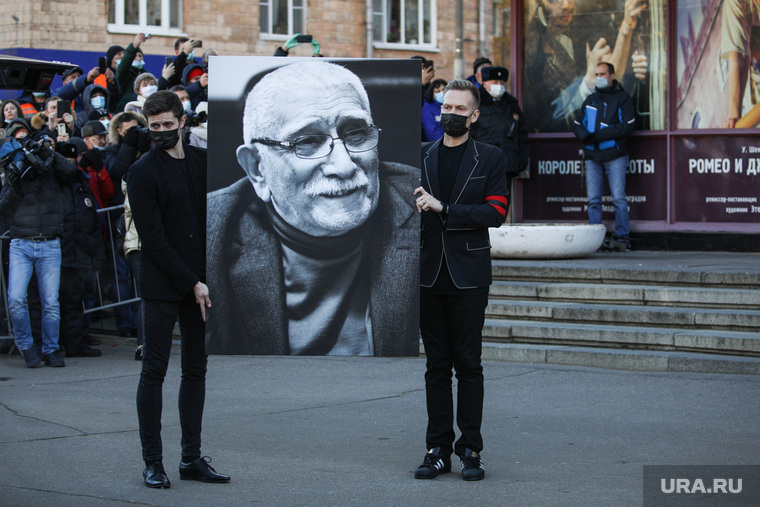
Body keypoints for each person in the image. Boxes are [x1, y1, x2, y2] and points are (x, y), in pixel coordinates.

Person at [206, 60, 419, 356]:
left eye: (356, 133)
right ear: (257, 169)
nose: (344, 166)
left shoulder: (421, 204)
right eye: (306, 142)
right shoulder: (211, 230)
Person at [127, 90, 229, 488]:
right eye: (154, 128)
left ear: (182, 122)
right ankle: (153, 461)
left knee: (195, 370)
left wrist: (205, 280)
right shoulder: (142, 171)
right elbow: (152, 238)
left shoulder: (204, 163)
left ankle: (191, 458)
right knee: (154, 371)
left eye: (168, 125)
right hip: (163, 284)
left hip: (199, 284)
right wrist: (191, 282)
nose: (162, 133)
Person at [413, 79, 508, 482]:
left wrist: (445, 208)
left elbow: (496, 211)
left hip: (469, 275)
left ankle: (470, 449)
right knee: (436, 366)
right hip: (428, 273)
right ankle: (437, 449)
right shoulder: (422, 154)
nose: (449, 113)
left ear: (473, 115)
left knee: (468, 365)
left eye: (458, 109)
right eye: (445, 107)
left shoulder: (490, 157)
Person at [0, 136, 78, 368]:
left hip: (50, 242)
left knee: (50, 302)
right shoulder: (13, 172)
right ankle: (26, 346)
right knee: (15, 299)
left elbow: (71, 172)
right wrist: (14, 185)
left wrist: (49, 152)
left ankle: (51, 349)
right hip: (21, 243)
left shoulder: (51, 166)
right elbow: (3, 208)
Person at [573, 62, 635, 251]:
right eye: (597, 74)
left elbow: (628, 126)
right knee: (593, 200)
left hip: (615, 155)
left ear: (612, 76)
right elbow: (577, 123)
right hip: (593, 156)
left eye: (603, 74)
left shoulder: (623, 98)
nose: (599, 77)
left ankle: (623, 236)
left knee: (618, 198)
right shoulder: (590, 99)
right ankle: (594, 240)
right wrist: (584, 136)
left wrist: (599, 135)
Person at [469, 66, 529, 192]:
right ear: (484, 83)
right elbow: (469, 134)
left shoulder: (511, 104)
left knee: (502, 205)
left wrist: (521, 159)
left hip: (507, 164)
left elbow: (522, 133)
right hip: (483, 165)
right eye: (495, 82)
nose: (499, 86)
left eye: (502, 82)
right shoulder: (476, 102)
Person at [422, 78, 447, 142]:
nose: (442, 93)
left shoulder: (451, 107)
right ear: (432, 93)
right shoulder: (427, 108)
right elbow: (432, 135)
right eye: (437, 91)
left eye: (444, 90)